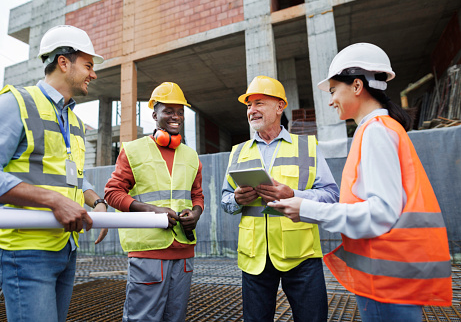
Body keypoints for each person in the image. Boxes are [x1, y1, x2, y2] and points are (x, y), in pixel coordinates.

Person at [267, 43, 452, 321]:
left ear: (356, 86)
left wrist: (304, 209)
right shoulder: (382, 129)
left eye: (333, 91)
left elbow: (380, 214)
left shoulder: (376, 132)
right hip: (393, 277)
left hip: (385, 282)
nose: (330, 101)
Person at [0, 25, 109, 322]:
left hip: (65, 248)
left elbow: (73, 178)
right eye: (89, 65)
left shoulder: (75, 121)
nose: (93, 74)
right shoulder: (15, 103)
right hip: (25, 250)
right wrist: (54, 201)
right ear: (64, 62)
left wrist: (97, 202)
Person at [221, 75, 339, 322]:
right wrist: (237, 199)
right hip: (255, 257)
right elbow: (225, 201)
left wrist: (293, 194)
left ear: (280, 106)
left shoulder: (307, 146)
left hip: (301, 255)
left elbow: (331, 197)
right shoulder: (238, 151)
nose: (252, 110)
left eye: (259, 103)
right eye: (248, 106)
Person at [104, 82, 204, 322]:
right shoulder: (133, 150)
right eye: (168, 110)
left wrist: (196, 213)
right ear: (154, 114)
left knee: (175, 318)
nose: (176, 116)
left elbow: (197, 194)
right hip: (148, 252)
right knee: (143, 318)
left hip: (183, 252)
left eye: (180, 111)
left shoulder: (191, 155)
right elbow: (112, 193)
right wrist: (152, 211)